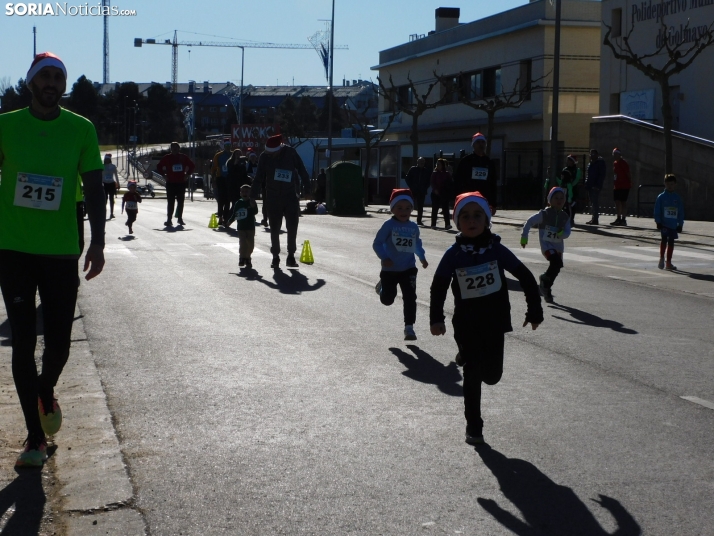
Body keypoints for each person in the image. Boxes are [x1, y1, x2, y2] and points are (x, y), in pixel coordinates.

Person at [0, 52, 106, 467]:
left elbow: (95, 188)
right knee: (22, 342)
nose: (50, 83)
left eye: (57, 77)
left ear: (63, 86)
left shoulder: (81, 129)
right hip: (14, 249)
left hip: (62, 250)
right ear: (31, 83)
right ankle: (33, 438)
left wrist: (98, 243)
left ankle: (45, 389)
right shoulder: (5, 126)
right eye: (43, 76)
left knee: (59, 344)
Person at [430, 192, 542, 445]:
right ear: (457, 223)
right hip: (467, 322)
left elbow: (525, 277)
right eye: (465, 216)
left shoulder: (497, 250)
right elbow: (438, 287)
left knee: (492, 376)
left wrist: (534, 311)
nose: (472, 220)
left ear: (487, 220)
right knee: (472, 371)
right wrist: (436, 319)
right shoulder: (453, 254)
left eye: (477, 215)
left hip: (495, 320)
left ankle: (465, 356)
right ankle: (474, 425)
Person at [373, 189, 428, 341]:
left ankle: (409, 328)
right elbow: (377, 243)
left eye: (407, 208)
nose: (404, 211)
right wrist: (384, 257)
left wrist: (422, 258)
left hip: (408, 268)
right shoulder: (388, 225)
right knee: (387, 300)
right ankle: (383, 288)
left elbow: (417, 244)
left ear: (412, 209)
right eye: (399, 208)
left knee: (410, 297)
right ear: (392, 209)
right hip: (390, 269)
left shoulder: (413, 227)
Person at [251, 134, 310, 268]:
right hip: (273, 197)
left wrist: (307, 189)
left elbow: (302, 170)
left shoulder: (291, 153)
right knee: (274, 228)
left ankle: (291, 256)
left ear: (279, 149)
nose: (270, 155)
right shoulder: (264, 157)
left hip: (290, 196)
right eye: (268, 153)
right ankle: (275, 256)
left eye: (273, 153)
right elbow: (258, 177)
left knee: (292, 227)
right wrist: (252, 196)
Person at [520, 187, 572, 303]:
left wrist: (561, 233)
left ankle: (546, 286)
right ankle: (545, 282)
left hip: (558, 247)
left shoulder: (565, 216)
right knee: (556, 262)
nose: (559, 200)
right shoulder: (544, 214)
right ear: (550, 200)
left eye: (561, 198)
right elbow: (529, 222)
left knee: (557, 267)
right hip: (547, 246)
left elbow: (568, 233)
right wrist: (524, 237)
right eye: (556, 198)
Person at [452, 133, 498, 213]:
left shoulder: (489, 162)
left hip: (484, 200)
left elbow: (493, 184)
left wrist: (493, 204)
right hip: (468, 199)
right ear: (473, 145)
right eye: (478, 142)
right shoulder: (466, 161)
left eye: (483, 142)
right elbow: (458, 181)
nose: (481, 144)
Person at [156, 142, 195, 227]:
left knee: (180, 202)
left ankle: (180, 219)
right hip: (170, 183)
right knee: (170, 202)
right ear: (171, 149)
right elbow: (159, 166)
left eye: (176, 148)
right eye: (173, 148)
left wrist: (187, 174)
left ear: (179, 149)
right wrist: (163, 175)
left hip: (181, 183)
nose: (174, 149)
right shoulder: (167, 158)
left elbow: (192, 166)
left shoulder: (183, 157)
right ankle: (169, 219)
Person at [654, 174, 684, 271]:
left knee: (671, 242)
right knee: (664, 240)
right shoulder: (661, 197)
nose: (670, 186)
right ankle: (662, 258)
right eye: (668, 184)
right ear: (664, 184)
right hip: (664, 223)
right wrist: (658, 221)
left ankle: (669, 262)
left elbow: (680, 212)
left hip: (673, 224)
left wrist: (680, 224)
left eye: (672, 184)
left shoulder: (677, 198)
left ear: (675, 184)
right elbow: (657, 210)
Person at [227, 184, 259, 269]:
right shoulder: (238, 203)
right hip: (241, 227)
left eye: (247, 192)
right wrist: (229, 221)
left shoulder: (252, 202)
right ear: (240, 193)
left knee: (250, 245)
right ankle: (242, 258)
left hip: (250, 227)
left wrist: (253, 206)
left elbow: (255, 212)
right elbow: (234, 214)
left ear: (250, 193)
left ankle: (248, 257)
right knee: (243, 243)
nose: (245, 193)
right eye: (243, 191)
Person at [210, 139, 233, 227]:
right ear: (224, 146)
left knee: (228, 200)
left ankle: (225, 217)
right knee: (221, 199)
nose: (227, 147)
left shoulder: (232, 155)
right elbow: (214, 168)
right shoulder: (218, 155)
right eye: (226, 145)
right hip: (221, 178)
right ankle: (220, 217)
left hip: (230, 179)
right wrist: (213, 180)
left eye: (229, 145)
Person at [405, 157, 431, 225]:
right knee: (410, 205)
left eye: (423, 162)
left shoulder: (426, 171)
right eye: (420, 162)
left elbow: (429, 181)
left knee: (420, 206)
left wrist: (425, 188)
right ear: (417, 162)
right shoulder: (413, 169)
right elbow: (407, 178)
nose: (422, 163)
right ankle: (406, 218)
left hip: (422, 191)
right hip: (413, 190)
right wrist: (411, 186)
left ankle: (419, 220)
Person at [557, 154, 581, 224]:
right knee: (565, 204)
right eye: (568, 160)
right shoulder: (565, 169)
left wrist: (570, 185)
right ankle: (565, 218)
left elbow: (577, 179)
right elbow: (562, 179)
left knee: (572, 204)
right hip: (565, 190)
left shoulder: (577, 170)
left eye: (570, 160)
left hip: (573, 189)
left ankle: (572, 218)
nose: (568, 162)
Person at [430, 158, 453, 230]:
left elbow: (450, 183)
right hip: (435, 193)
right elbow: (432, 182)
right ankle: (433, 224)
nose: (437, 165)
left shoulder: (446, 174)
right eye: (437, 164)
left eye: (439, 164)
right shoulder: (434, 173)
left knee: (445, 209)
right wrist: (435, 190)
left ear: (442, 165)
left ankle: (447, 224)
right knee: (435, 209)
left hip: (444, 193)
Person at [584, 149, 605, 225]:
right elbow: (588, 175)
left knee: (595, 203)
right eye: (591, 154)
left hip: (595, 186)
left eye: (593, 154)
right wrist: (587, 184)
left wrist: (598, 186)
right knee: (592, 203)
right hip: (590, 186)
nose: (591, 156)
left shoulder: (600, 163)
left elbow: (601, 176)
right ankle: (593, 218)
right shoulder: (590, 163)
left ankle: (595, 219)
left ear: (597, 155)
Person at [611, 148, 632, 226]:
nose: (615, 155)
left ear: (619, 155)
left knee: (623, 202)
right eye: (614, 154)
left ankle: (623, 219)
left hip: (624, 185)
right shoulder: (615, 163)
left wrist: (630, 182)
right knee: (617, 201)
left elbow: (628, 173)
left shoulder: (623, 162)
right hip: (617, 185)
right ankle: (618, 217)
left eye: (616, 154)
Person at [226, 148, 248, 219]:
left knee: (241, 204)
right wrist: (235, 163)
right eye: (237, 154)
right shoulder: (230, 162)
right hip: (233, 185)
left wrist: (248, 178)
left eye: (240, 154)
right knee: (235, 204)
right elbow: (230, 172)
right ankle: (227, 219)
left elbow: (244, 173)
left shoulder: (242, 162)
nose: (238, 155)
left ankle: (241, 219)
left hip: (240, 185)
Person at [102, 153, 120, 219]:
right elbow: (100, 176)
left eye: (108, 159)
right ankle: (104, 212)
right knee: (105, 199)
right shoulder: (102, 166)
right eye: (105, 159)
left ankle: (112, 213)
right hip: (105, 184)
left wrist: (118, 184)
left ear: (110, 160)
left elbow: (116, 176)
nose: (106, 160)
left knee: (111, 199)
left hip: (111, 183)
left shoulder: (113, 166)